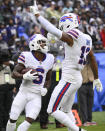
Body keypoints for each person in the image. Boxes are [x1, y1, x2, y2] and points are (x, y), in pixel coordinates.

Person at [30, 1, 103, 131]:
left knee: (51, 109)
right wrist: (96, 77)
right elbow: (91, 57)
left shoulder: (71, 37)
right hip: (76, 77)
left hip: (70, 78)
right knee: (66, 110)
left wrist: (37, 15)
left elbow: (51, 29)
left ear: (67, 23)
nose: (61, 27)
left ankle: (78, 130)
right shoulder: (86, 37)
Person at [6, 34, 54, 131]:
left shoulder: (50, 58)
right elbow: (14, 73)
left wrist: (46, 88)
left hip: (36, 95)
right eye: (41, 42)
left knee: (29, 120)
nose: (44, 44)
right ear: (34, 44)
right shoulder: (26, 56)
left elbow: (48, 79)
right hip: (23, 92)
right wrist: (23, 76)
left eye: (44, 42)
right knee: (13, 119)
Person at [0, 50, 15, 131]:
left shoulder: (11, 65)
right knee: (1, 108)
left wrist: (10, 65)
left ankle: (5, 125)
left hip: (9, 88)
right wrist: (3, 65)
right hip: (1, 88)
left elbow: (15, 73)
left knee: (7, 108)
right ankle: (1, 126)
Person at [78, 61, 97, 126]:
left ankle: (89, 120)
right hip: (82, 84)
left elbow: (96, 63)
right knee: (83, 104)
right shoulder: (80, 60)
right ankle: (84, 121)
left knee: (90, 103)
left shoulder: (93, 61)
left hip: (91, 84)